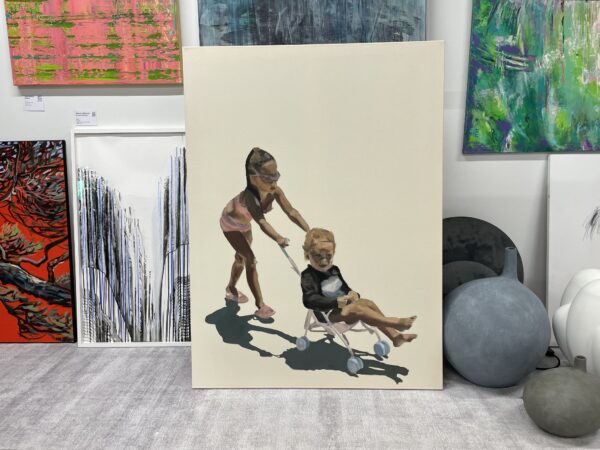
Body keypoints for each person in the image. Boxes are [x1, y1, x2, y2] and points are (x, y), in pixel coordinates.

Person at [220, 147, 310, 319]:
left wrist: (309, 231)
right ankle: (260, 305)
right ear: (253, 178)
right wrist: (278, 237)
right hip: (230, 225)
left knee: (240, 258)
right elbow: (261, 222)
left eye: (276, 176)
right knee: (250, 260)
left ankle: (230, 288)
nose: (274, 183)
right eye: (268, 178)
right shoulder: (249, 197)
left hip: (244, 225)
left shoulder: (274, 191)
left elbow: (292, 212)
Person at [300, 228, 417, 347]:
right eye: (318, 256)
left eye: (328, 255)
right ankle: (393, 322)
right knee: (357, 309)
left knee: (368, 303)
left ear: (334, 252)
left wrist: (353, 294)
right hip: (328, 314)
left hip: (345, 308)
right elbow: (309, 300)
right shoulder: (308, 275)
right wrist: (335, 302)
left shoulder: (334, 270)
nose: (324, 261)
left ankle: (394, 336)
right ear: (307, 253)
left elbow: (345, 289)